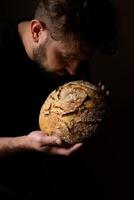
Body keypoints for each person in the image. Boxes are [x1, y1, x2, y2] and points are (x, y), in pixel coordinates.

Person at [0, 0, 117, 199]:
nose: (73, 70)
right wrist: (24, 143)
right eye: (65, 57)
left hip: (31, 181)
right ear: (37, 31)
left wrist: (93, 111)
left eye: (82, 60)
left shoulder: (75, 64)